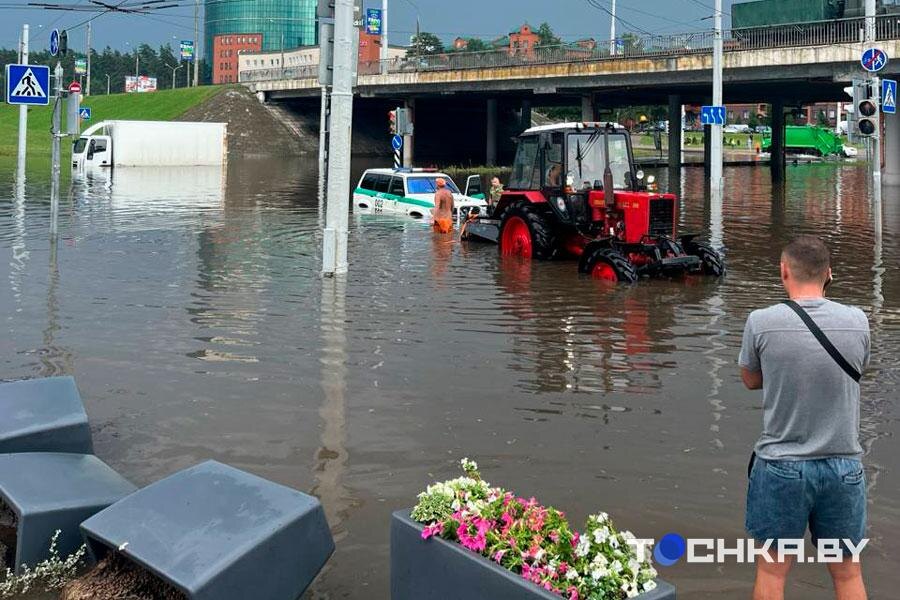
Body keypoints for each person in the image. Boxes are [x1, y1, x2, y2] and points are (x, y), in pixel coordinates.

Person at [739, 235, 870, 600]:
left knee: (772, 571)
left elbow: (750, 379)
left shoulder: (761, 321)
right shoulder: (858, 321)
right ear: (828, 274)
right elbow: (857, 368)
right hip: (844, 468)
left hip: (782, 467)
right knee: (847, 572)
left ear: (784, 271)